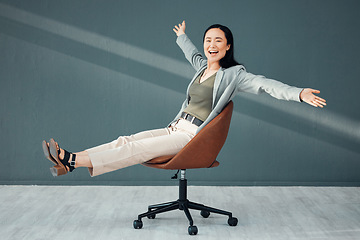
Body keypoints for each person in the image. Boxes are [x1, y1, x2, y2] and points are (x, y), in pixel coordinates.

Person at [42, 20, 326, 177]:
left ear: (228, 47)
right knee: (125, 141)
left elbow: (265, 86)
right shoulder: (202, 68)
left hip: (192, 137)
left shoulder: (234, 75)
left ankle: (72, 161)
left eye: (218, 41)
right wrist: (182, 36)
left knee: (135, 151)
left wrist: (298, 94)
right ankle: (72, 161)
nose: (211, 45)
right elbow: (192, 55)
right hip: (175, 127)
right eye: (208, 40)